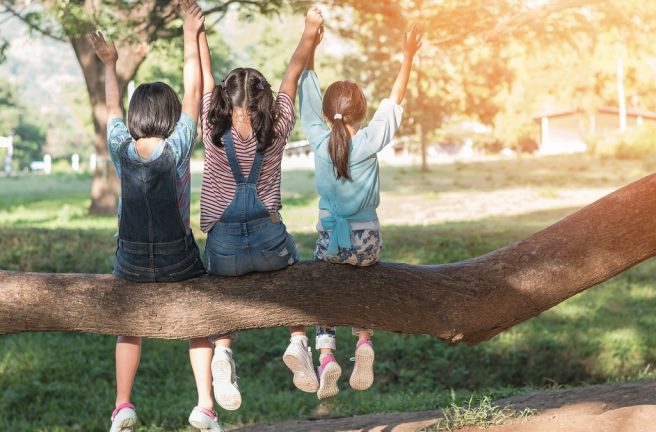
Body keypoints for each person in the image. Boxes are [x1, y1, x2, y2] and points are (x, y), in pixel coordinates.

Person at [88, 1, 216, 430]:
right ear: (171, 115)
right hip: (178, 259)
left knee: (128, 327)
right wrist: (188, 34)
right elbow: (195, 91)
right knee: (201, 320)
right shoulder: (178, 146)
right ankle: (204, 405)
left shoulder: (121, 148)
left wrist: (111, 64)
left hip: (130, 261)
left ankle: (122, 404)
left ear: (135, 116)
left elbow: (109, 109)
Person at [195, 4, 325, 413]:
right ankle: (298, 341)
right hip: (270, 243)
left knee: (224, 290)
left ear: (223, 100)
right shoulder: (278, 125)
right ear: (264, 99)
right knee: (295, 271)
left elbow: (203, 74)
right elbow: (294, 71)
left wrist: (195, 32)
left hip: (223, 249)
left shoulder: (210, 127)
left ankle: (222, 352)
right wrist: (309, 31)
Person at [293, 22, 423, 400]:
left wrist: (312, 44)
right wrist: (408, 56)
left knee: (323, 290)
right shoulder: (368, 141)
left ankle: (327, 355)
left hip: (329, 240)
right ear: (361, 112)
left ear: (326, 113)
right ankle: (364, 342)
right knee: (364, 281)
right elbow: (394, 102)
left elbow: (306, 86)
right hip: (367, 242)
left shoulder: (318, 141)